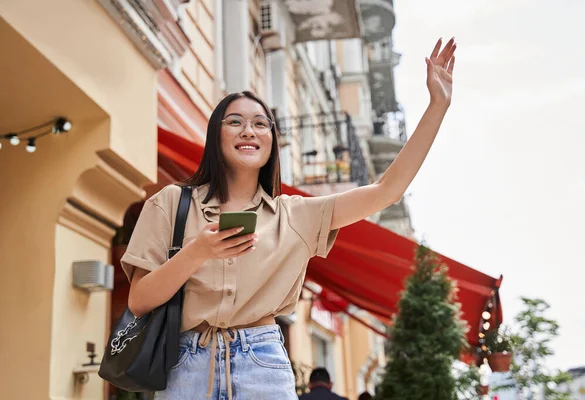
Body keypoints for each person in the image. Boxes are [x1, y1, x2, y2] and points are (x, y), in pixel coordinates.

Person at [122, 37, 456, 399]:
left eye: (260, 124)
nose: (248, 130)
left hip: (262, 364)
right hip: (186, 366)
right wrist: (199, 251)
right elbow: (140, 300)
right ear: (215, 135)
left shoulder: (297, 215)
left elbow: (386, 191)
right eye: (234, 122)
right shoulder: (171, 204)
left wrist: (437, 106)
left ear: (271, 141)